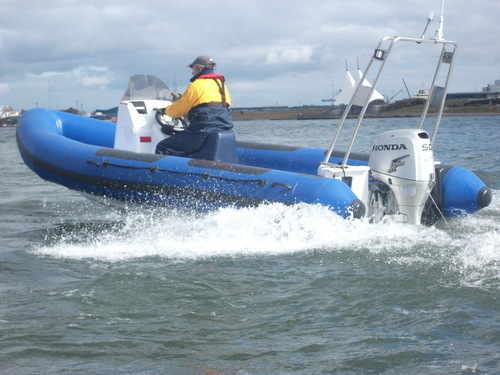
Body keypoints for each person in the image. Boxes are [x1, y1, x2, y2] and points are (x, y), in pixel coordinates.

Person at [155, 56, 234, 156]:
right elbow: (210, 104)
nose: (192, 72)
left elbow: (178, 111)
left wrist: (165, 111)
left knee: (163, 146)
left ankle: (171, 171)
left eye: (192, 69)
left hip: (202, 133)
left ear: (199, 68)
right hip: (223, 130)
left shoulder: (196, 85)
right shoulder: (221, 85)